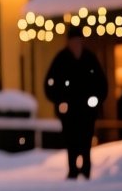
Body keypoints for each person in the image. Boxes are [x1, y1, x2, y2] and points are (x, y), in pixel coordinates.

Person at [45, 28, 108, 180]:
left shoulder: (89, 58)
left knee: (86, 139)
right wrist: (59, 101)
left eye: (78, 40)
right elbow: (49, 83)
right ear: (68, 42)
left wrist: (95, 100)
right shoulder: (61, 59)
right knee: (71, 139)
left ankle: (86, 169)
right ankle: (73, 169)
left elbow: (101, 83)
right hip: (69, 110)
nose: (76, 44)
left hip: (86, 110)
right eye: (73, 41)